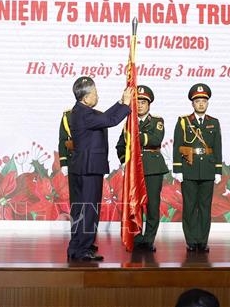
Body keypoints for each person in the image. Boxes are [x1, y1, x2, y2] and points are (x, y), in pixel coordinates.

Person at [66, 77, 132, 262]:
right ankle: (83, 249)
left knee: (79, 210)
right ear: (86, 98)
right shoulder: (85, 114)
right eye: (95, 93)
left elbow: (104, 117)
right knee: (88, 210)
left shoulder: (80, 111)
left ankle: (76, 247)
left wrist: (120, 102)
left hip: (80, 167)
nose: (97, 96)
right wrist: (126, 105)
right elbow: (110, 120)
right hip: (89, 168)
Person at [116, 85, 168, 252]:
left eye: (143, 102)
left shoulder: (157, 121)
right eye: (137, 102)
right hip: (134, 171)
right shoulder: (128, 123)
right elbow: (120, 146)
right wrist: (125, 161)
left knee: (152, 206)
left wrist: (136, 136)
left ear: (149, 105)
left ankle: (149, 240)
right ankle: (137, 238)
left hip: (152, 168)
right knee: (135, 205)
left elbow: (155, 139)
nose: (139, 106)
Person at [172, 83, 222, 253]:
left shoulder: (213, 122)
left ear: (207, 103)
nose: (201, 104)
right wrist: (178, 169)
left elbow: (217, 147)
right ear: (192, 103)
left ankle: (202, 241)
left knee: (205, 208)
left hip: (207, 169)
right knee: (190, 207)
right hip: (189, 168)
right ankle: (191, 241)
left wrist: (218, 170)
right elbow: (177, 145)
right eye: (197, 101)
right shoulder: (184, 122)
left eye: (204, 101)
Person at [59, 109, 99, 252]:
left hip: (90, 163)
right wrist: (64, 162)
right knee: (77, 206)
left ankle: (88, 241)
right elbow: (63, 140)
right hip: (74, 162)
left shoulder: (97, 115)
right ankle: (76, 240)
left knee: (91, 207)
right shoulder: (68, 115)